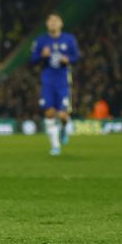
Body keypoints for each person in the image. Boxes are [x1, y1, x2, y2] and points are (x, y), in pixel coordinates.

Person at [30, 13, 80, 156]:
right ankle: (55, 146)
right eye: (50, 21)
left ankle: (64, 129)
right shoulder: (40, 41)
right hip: (48, 81)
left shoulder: (69, 39)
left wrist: (68, 59)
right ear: (47, 24)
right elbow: (32, 60)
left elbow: (77, 57)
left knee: (63, 115)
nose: (53, 23)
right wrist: (41, 56)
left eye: (55, 21)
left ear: (61, 24)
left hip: (63, 81)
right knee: (50, 112)